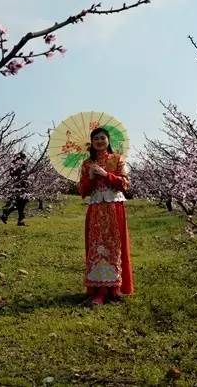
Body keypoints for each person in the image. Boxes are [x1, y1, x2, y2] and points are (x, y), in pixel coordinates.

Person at [77, 127, 134, 305]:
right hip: (95, 209)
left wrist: (106, 175)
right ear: (92, 143)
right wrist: (91, 177)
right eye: (96, 139)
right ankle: (99, 290)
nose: (100, 141)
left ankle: (115, 288)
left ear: (108, 140)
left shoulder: (118, 159)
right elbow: (82, 191)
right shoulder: (87, 164)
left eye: (102, 138)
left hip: (114, 208)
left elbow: (125, 184)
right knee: (97, 246)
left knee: (114, 245)